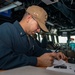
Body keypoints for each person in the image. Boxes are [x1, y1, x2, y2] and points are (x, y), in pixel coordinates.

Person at [0, 5, 68, 70]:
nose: (38, 31)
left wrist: (54, 55)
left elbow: (39, 51)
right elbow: (3, 60)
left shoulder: (30, 38)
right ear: (29, 18)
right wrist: (38, 61)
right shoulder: (6, 29)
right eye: (38, 26)